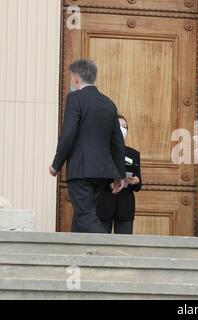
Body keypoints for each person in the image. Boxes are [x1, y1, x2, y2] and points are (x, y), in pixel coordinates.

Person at [49, 59, 126, 234]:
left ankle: (109, 248)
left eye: (70, 77)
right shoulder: (109, 103)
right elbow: (117, 142)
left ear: (76, 78)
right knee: (82, 215)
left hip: (81, 169)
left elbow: (68, 134)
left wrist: (56, 165)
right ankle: (78, 256)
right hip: (102, 172)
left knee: (84, 216)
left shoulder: (75, 98)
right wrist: (119, 174)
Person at [96, 115, 142, 235]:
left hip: (125, 207)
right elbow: (95, 177)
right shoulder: (101, 151)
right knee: (101, 243)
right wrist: (109, 183)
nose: (122, 129)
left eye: (125, 127)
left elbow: (138, 184)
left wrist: (136, 182)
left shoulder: (133, 154)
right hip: (104, 204)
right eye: (119, 126)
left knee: (124, 244)